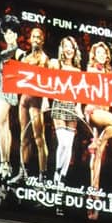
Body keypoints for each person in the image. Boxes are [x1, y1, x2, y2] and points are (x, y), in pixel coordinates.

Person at [83, 39, 112, 218]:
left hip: (103, 112)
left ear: (106, 56)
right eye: (97, 52)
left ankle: (94, 191)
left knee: (98, 154)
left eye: (103, 53)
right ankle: (98, 141)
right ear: (94, 55)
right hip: (94, 111)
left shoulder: (110, 73)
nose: (101, 55)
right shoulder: (92, 70)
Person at [0, 15, 24, 183]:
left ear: (16, 34)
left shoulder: (19, 53)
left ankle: (5, 162)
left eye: (11, 33)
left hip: (8, 91)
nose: (8, 36)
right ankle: (4, 164)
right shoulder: (4, 52)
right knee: (3, 126)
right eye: (6, 33)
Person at [17, 25, 50, 181]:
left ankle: (43, 175)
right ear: (30, 39)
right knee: (24, 137)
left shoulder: (45, 59)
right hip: (24, 100)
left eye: (39, 37)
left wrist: (44, 101)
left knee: (39, 137)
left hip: (36, 101)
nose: (36, 39)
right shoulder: (25, 58)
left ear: (42, 40)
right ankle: (23, 172)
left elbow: (47, 83)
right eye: (34, 36)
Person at [48, 35, 83, 183]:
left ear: (75, 50)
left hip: (72, 108)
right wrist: (46, 100)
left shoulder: (78, 70)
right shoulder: (55, 64)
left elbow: (81, 92)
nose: (69, 50)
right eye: (66, 46)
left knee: (69, 145)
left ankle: (62, 177)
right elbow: (46, 82)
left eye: (71, 47)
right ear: (62, 48)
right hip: (58, 104)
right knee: (62, 143)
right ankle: (57, 172)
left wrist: (79, 107)